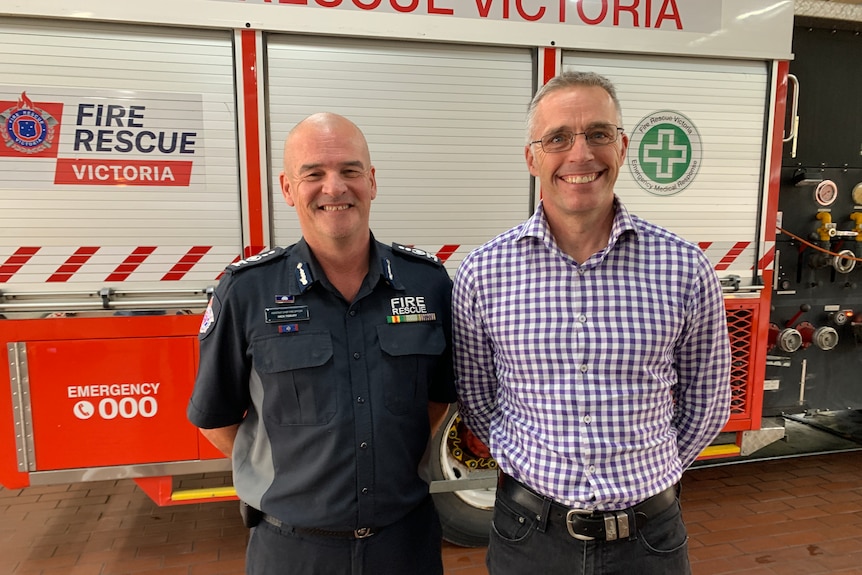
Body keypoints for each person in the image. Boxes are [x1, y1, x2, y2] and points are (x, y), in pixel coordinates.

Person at [452, 71, 732, 574]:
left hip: (649, 540)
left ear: (622, 148)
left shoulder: (685, 268)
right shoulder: (483, 273)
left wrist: (644, 474)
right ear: (532, 157)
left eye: (598, 134)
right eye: (557, 138)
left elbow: (708, 403)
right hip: (528, 538)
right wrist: (528, 464)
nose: (580, 154)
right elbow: (477, 400)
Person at [187, 112, 455, 575]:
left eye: (350, 171)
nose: (334, 187)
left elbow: (435, 401)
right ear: (288, 189)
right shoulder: (247, 291)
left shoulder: (426, 284)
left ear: (371, 182)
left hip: (405, 546)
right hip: (292, 551)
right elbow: (216, 420)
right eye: (313, 174)